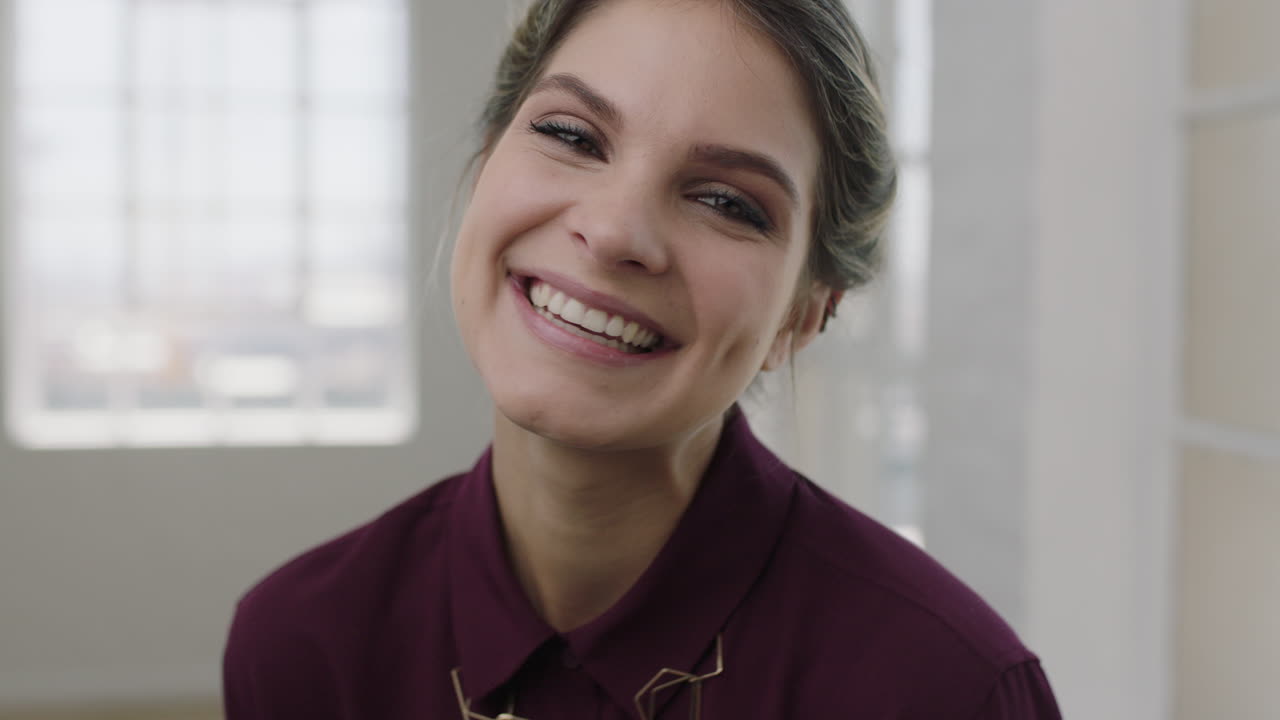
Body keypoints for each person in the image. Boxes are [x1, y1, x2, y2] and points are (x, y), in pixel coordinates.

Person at [223, 0, 1063, 717]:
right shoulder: (304, 644)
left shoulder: (948, 690)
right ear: (484, 162)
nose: (614, 229)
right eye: (570, 135)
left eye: (727, 202)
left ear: (805, 313)